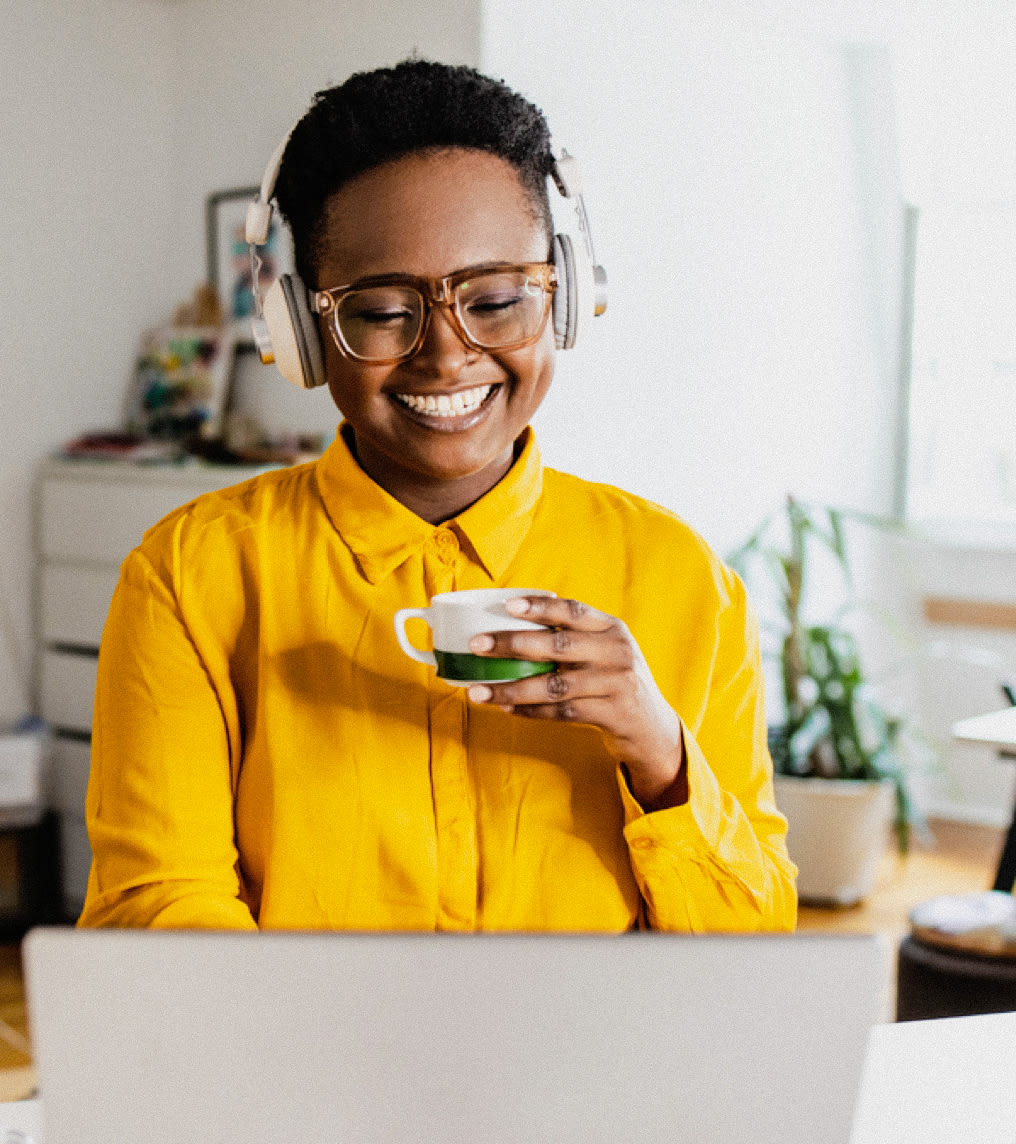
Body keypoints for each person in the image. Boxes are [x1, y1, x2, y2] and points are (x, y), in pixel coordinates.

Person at [78, 60, 797, 933]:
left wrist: (657, 749)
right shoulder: (191, 575)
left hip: (591, 1065)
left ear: (565, 300)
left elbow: (753, 950)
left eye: (496, 299)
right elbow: (158, 908)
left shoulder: (683, 578)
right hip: (304, 1064)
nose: (448, 355)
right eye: (382, 311)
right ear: (302, 332)